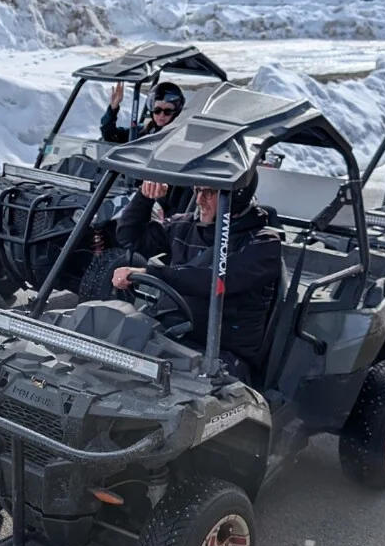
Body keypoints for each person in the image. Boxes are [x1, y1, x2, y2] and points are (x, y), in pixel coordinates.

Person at [111, 175, 283, 374]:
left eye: (208, 193)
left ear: (236, 196)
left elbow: (214, 281)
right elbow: (129, 237)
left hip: (221, 355)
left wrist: (154, 273)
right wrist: (145, 197)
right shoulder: (184, 226)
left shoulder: (263, 244)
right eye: (197, 190)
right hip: (173, 335)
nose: (200, 200)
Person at [99, 81, 186, 145]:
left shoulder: (179, 135)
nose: (161, 115)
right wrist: (113, 107)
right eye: (157, 110)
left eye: (168, 111)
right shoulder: (143, 130)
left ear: (175, 112)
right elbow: (110, 135)